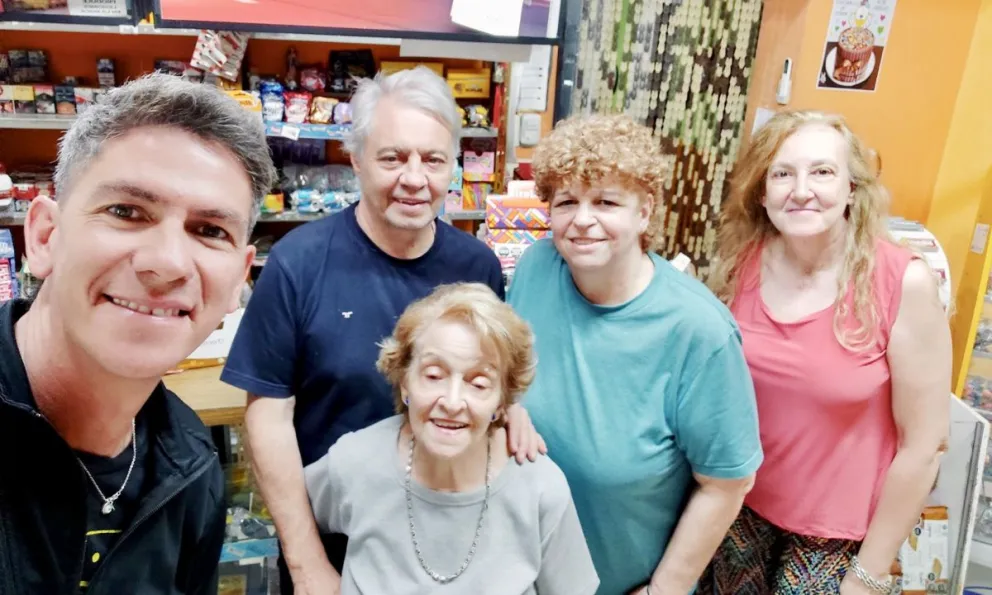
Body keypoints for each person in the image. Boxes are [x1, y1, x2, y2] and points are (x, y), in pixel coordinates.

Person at [221, 66, 545, 595]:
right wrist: (306, 564)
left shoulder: (477, 266)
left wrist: (510, 408)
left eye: (433, 160)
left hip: (451, 544)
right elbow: (268, 417)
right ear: (356, 159)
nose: (414, 179)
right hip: (333, 546)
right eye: (393, 157)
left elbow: (482, 383)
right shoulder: (299, 263)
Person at [0, 72, 274, 594]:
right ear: (45, 237)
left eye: (209, 230)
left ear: (238, 281)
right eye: (126, 212)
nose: (167, 263)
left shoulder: (192, 466)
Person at [507, 113, 763, 595]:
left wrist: (665, 589)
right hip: (517, 573)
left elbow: (727, 483)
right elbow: (507, 366)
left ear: (644, 212)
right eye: (567, 202)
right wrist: (510, 406)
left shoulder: (698, 332)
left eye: (606, 202)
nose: (583, 220)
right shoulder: (537, 268)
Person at [700, 110, 950, 594]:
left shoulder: (902, 281)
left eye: (821, 172)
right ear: (762, 192)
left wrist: (869, 574)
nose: (801, 190)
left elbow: (924, 446)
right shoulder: (741, 263)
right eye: (782, 174)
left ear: (851, 188)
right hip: (738, 508)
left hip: (833, 538)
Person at [304, 282, 599, 594]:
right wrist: (309, 567)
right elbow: (289, 508)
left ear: (502, 402)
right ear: (405, 381)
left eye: (479, 383)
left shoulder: (540, 489)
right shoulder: (355, 462)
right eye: (434, 376)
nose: (453, 401)